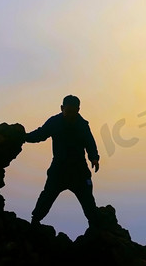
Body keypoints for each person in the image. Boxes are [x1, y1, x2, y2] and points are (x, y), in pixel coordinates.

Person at [25, 95, 100, 226]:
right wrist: (23, 137)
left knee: (88, 200)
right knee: (47, 196)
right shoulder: (54, 122)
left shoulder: (82, 125)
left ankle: (95, 226)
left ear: (78, 110)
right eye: (68, 111)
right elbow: (41, 134)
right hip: (59, 169)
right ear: (62, 108)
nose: (71, 115)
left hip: (79, 171)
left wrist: (94, 157)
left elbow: (90, 142)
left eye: (74, 111)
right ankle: (35, 221)